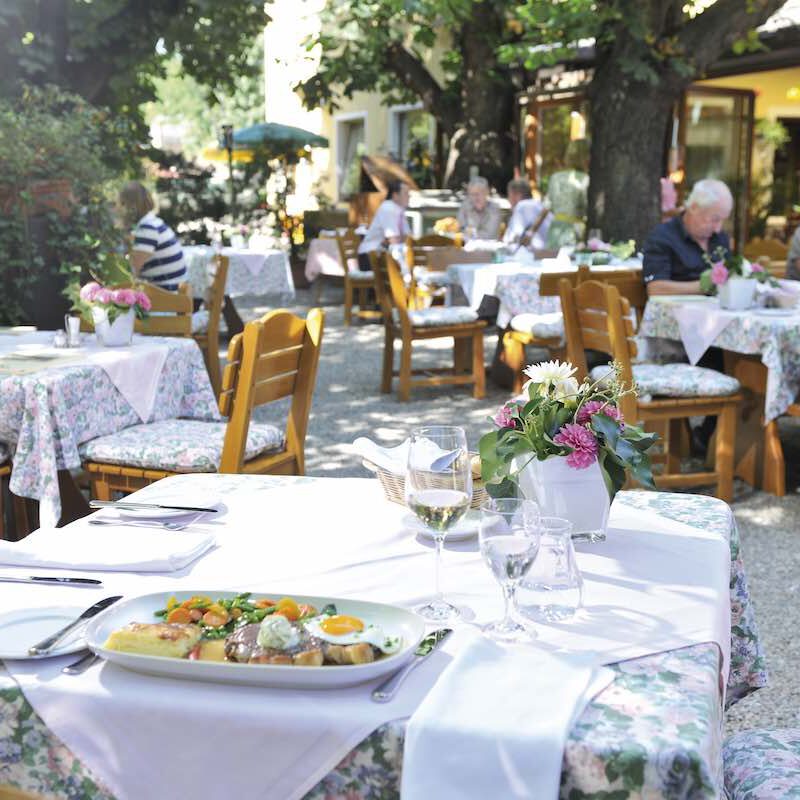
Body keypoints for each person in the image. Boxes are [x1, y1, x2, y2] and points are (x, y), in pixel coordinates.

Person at [642, 178, 733, 295]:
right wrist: (708, 285)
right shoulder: (662, 237)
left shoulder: (720, 238)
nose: (718, 228)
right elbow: (656, 289)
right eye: (715, 219)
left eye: (722, 221)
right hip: (676, 311)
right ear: (694, 207)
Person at [118, 181, 187, 291]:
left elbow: (130, 272)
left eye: (121, 204)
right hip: (172, 293)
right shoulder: (152, 223)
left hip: (165, 297)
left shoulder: (147, 229)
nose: (119, 210)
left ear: (131, 206)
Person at [544, 139, 589, 249]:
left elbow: (546, 207)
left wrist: (531, 232)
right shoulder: (584, 179)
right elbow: (587, 208)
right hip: (575, 230)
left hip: (555, 229)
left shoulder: (555, 177)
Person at [357, 179, 410, 270]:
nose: (409, 196)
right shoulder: (388, 208)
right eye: (406, 193)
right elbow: (394, 239)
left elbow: (408, 237)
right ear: (395, 195)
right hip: (370, 257)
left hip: (384, 255)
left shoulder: (399, 210)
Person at [502, 179, 552, 252]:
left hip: (535, 257)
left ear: (517, 195)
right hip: (550, 254)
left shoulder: (522, 206)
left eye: (509, 195)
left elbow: (512, 238)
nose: (508, 199)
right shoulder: (539, 205)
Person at [457, 176, 502, 240]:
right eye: (472, 194)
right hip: (468, 247)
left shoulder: (494, 208)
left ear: (486, 192)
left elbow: (490, 235)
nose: (475, 198)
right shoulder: (465, 206)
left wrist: (470, 233)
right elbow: (460, 228)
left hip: (489, 247)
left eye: (478, 194)